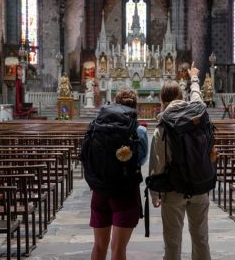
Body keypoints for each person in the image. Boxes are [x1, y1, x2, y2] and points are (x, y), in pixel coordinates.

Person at [149, 67, 214, 260]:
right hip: (200, 185)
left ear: (162, 99)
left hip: (174, 189)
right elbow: (197, 95)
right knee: (201, 238)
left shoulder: (163, 125)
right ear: (181, 95)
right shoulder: (198, 112)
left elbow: (157, 164)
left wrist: (155, 193)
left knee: (173, 242)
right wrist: (194, 76)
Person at [88, 88, 149, 260]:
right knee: (118, 249)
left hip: (100, 191)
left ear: (114, 103)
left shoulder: (97, 124)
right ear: (135, 106)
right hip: (126, 192)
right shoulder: (140, 130)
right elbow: (142, 160)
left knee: (99, 246)